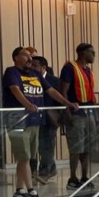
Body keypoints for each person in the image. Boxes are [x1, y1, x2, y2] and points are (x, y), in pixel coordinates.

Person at [2, 46, 78, 197]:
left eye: (31, 56)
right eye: (26, 55)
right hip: (18, 119)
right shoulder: (11, 72)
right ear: (16, 57)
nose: (30, 58)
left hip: (35, 120)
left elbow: (51, 91)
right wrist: (27, 104)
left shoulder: (36, 74)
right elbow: (15, 89)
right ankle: (29, 188)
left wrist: (67, 103)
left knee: (27, 156)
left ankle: (19, 189)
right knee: (24, 156)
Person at [60, 43, 99, 190]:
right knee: (76, 147)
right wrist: (67, 112)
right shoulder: (69, 67)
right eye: (92, 52)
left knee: (87, 147)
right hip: (75, 113)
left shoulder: (88, 71)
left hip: (89, 112)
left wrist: (96, 114)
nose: (94, 55)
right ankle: (72, 178)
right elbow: (63, 91)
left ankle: (85, 177)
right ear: (83, 53)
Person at [30, 56, 62, 184]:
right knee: (37, 146)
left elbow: (59, 99)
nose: (32, 68)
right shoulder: (31, 80)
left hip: (49, 118)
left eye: (35, 66)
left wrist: (58, 116)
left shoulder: (54, 81)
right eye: (31, 65)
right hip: (34, 117)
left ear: (44, 67)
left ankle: (46, 170)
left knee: (47, 145)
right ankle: (46, 169)